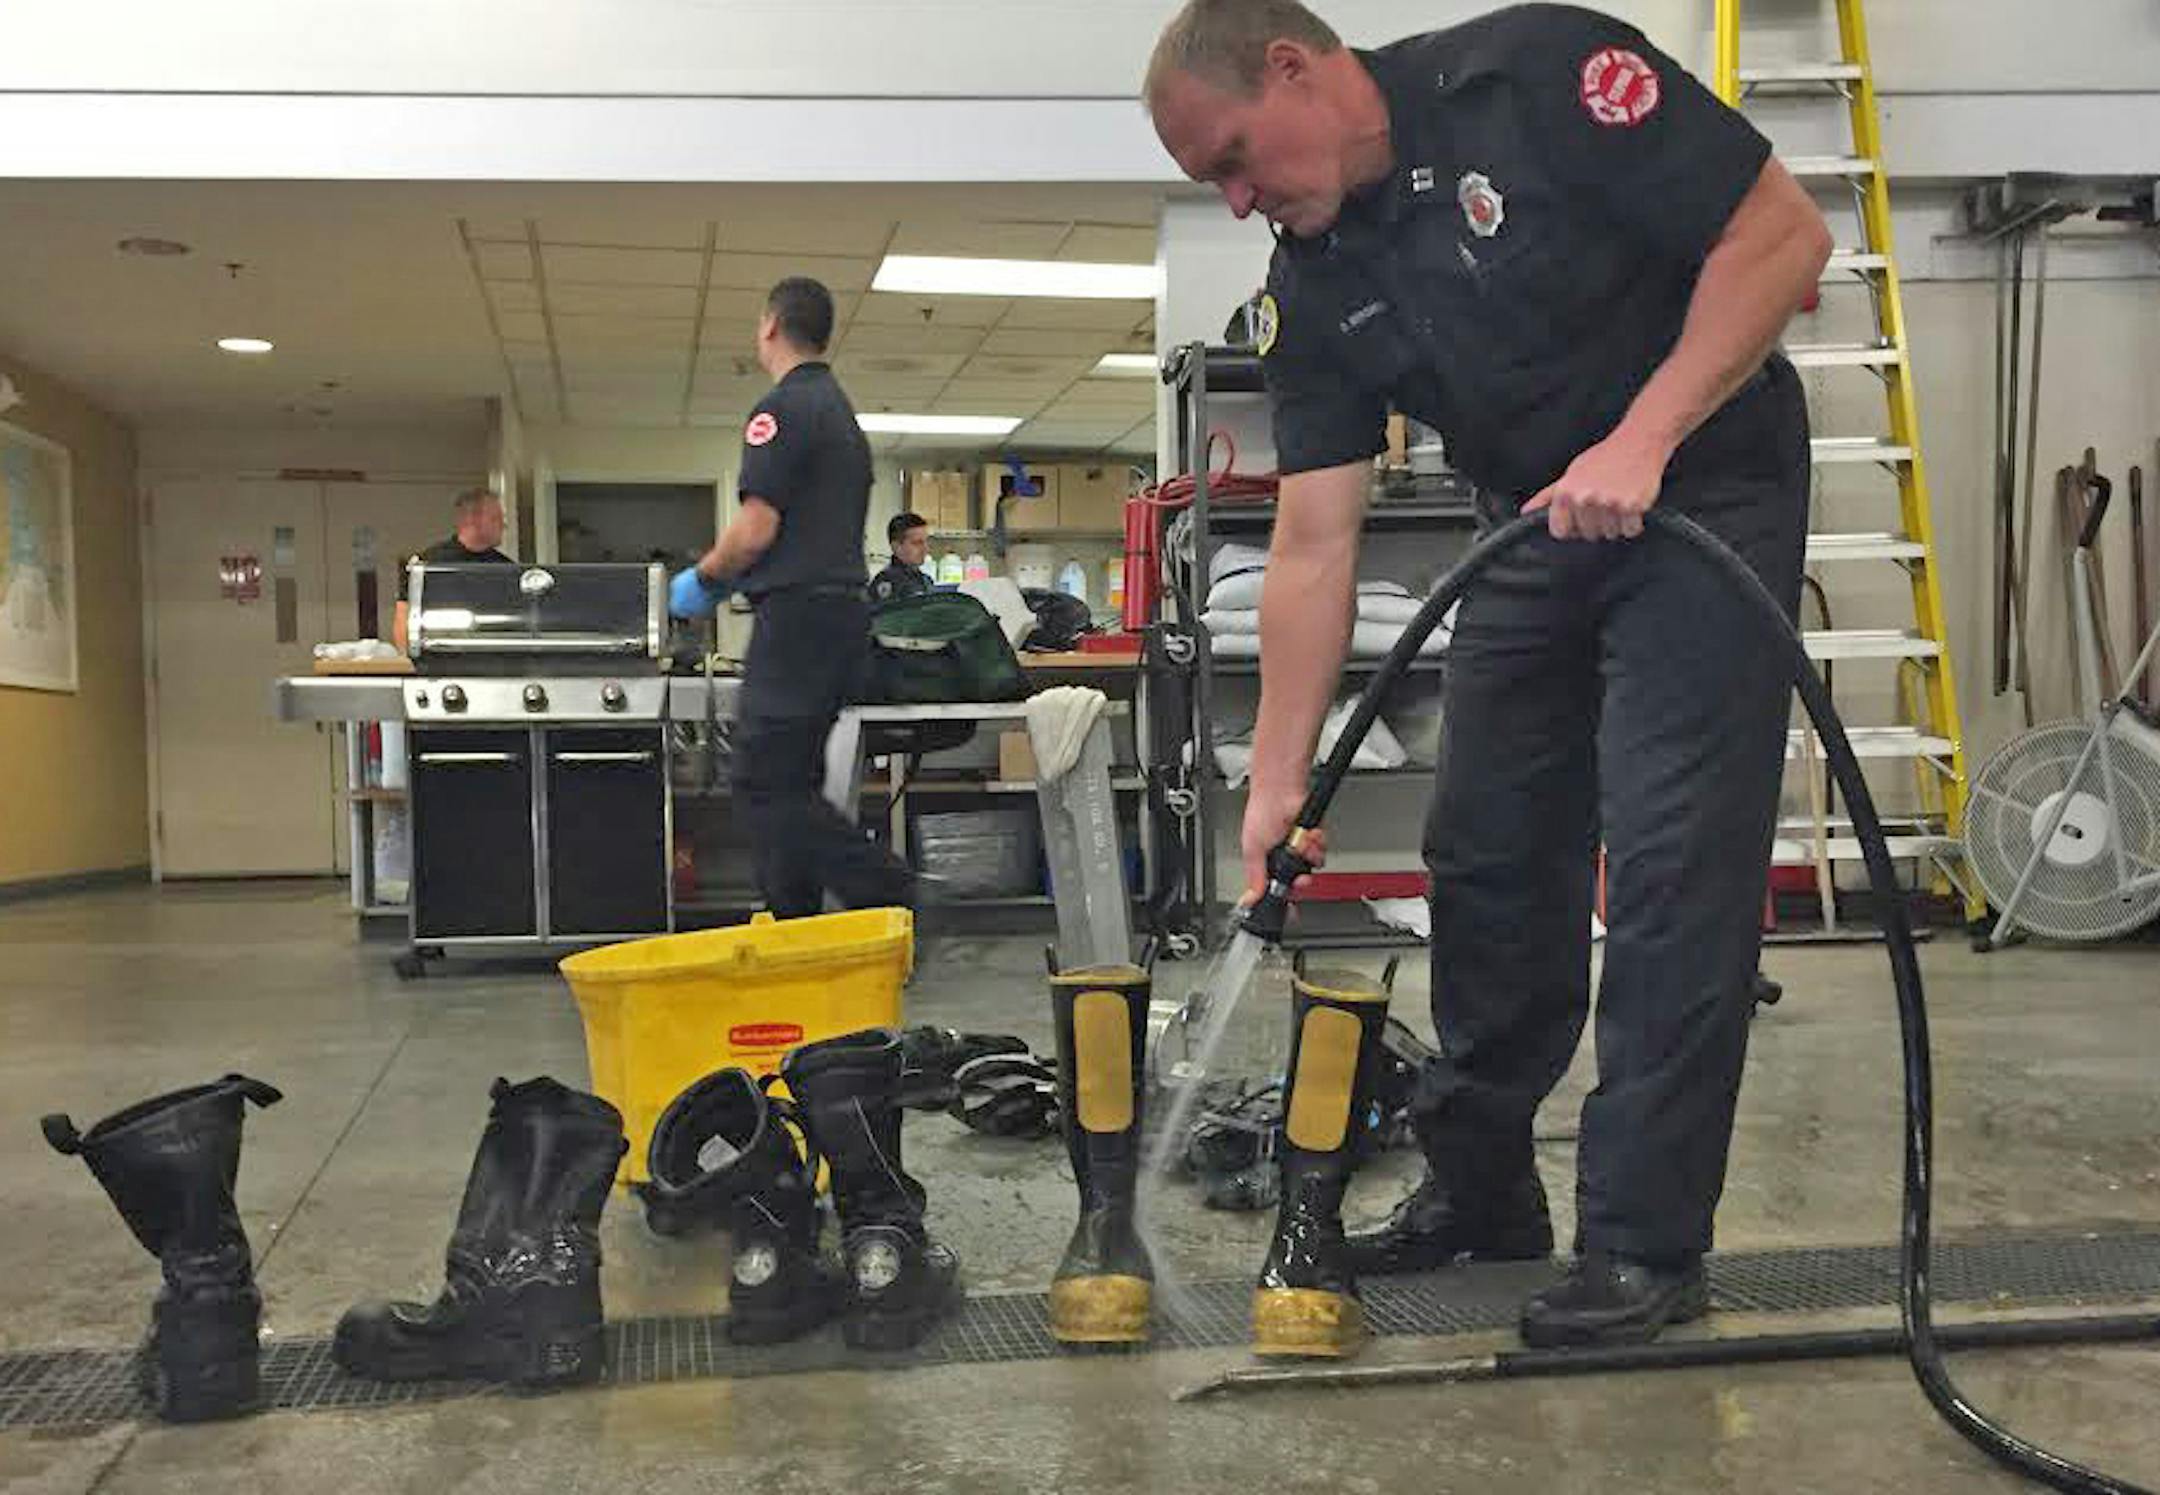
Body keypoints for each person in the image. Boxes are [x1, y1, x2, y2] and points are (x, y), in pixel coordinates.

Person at [1147, 0, 1828, 1347]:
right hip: (1532, 514)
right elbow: (1312, 537)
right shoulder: (1315, 280)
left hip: (1706, 483)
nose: (1235, 202)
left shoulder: (1541, 79)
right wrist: (1272, 782)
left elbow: (1782, 237)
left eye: (1231, 160)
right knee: (1486, 849)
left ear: (1292, 68)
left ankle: (1643, 1239)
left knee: (1673, 860)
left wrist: (1640, 438)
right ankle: (1483, 1183)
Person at [673, 277, 916, 919]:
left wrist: (703, 579)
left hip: (800, 616)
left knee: (761, 783)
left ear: (770, 326)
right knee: (790, 783)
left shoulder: (781, 410)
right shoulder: (839, 413)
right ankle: (796, 927)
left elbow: (756, 530)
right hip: (835, 617)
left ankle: (888, 888)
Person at [392, 487, 511, 652]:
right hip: (440, 662)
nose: (504, 526)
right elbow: (404, 621)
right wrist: (410, 665)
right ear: (474, 520)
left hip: (493, 662)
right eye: (496, 519)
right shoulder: (427, 567)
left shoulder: (505, 570)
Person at [868, 511, 935, 606]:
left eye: (926, 541)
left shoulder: (926, 581)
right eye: (917, 543)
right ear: (896, 547)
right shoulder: (888, 582)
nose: (925, 549)